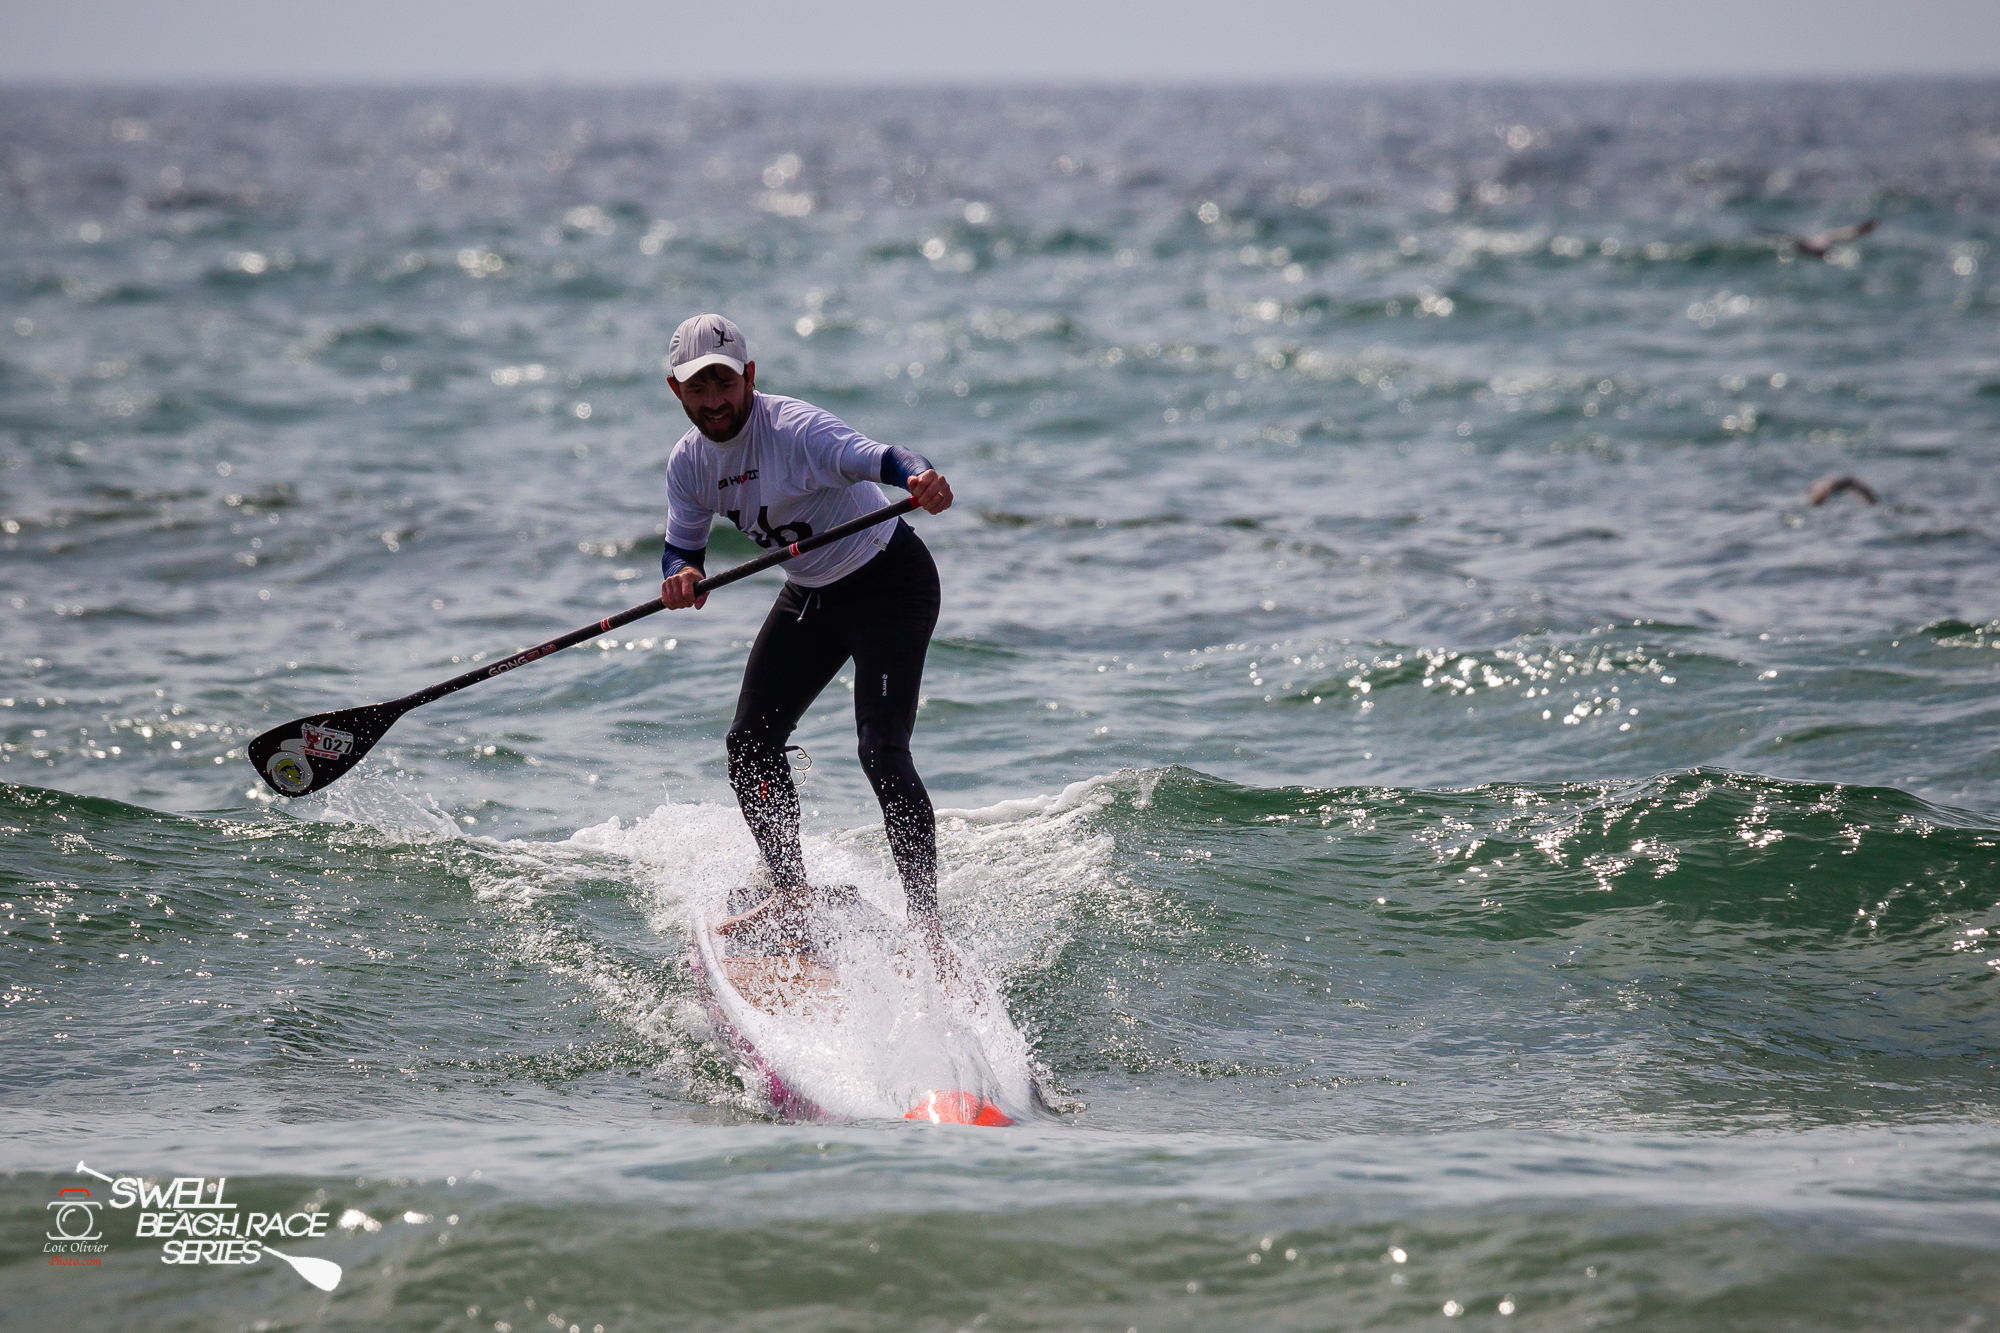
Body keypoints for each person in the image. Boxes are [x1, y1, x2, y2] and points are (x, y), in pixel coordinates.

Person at [657, 313, 955, 955]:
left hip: (888, 581)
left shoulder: (796, 430)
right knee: (749, 745)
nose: (713, 401)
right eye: (698, 387)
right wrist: (682, 576)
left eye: (724, 382)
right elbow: (683, 548)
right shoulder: (688, 464)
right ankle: (791, 896)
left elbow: (886, 458)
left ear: (749, 376)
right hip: (813, 592)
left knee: (880, 749)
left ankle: (929, 933)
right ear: (676, 390)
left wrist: (921, 478)